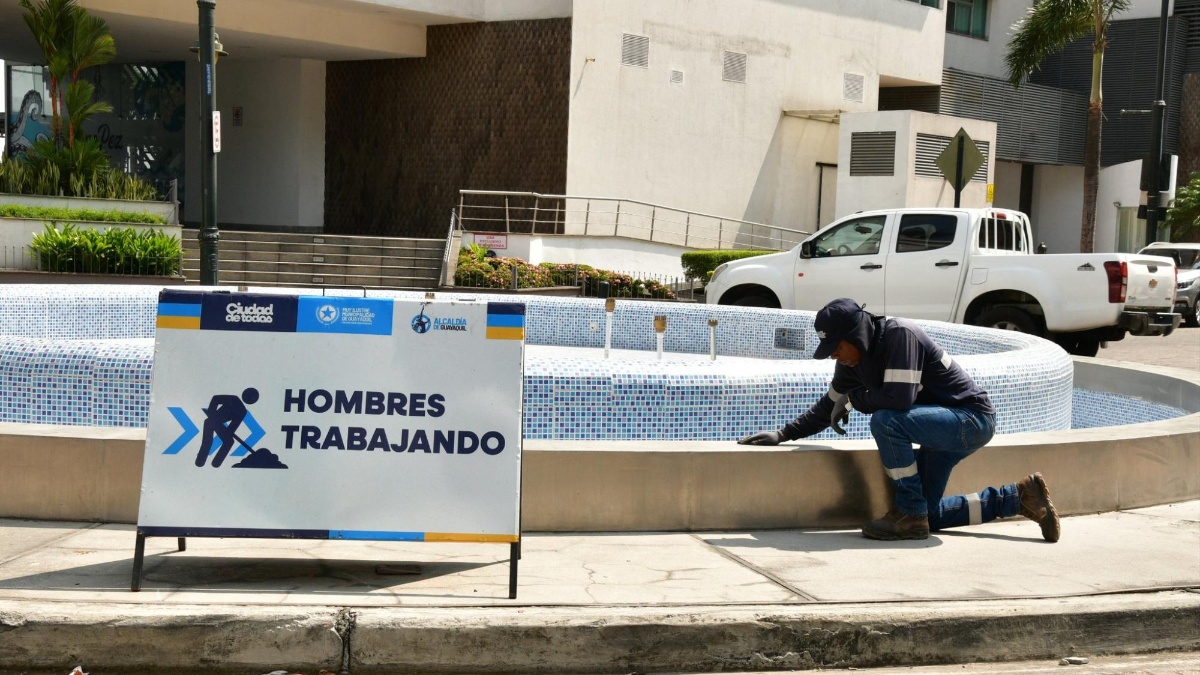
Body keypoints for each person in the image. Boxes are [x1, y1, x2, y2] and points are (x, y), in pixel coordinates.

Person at [739, 298, 1060, 542]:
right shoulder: (851, 364)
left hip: (970, 420)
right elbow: (829, 406)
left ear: (855, 334)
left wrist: (853, 400)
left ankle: (907, 513)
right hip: (941, 430)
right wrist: (783, 434)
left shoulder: (899, 337)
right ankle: (1017, 498)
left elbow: (898, 399)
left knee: (886, 421)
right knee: (929, 515)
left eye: (835, 347)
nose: (834, 355)